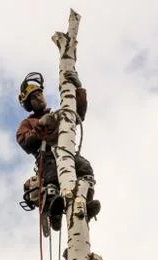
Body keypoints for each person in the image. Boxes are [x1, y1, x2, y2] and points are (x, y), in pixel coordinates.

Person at [16, 71, 100, 231]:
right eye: (33, 98)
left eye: (39, 94)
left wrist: (79, 89)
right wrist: (40, 126)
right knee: (51, 175)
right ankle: (53, 210)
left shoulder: (58, 115)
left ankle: (85, 203)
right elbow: (25, 141)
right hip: (47, 155)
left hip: (67, 153)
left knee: (84, 168)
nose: (38, 98)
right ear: (29, 104)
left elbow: (77, 115)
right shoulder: (28, 123)